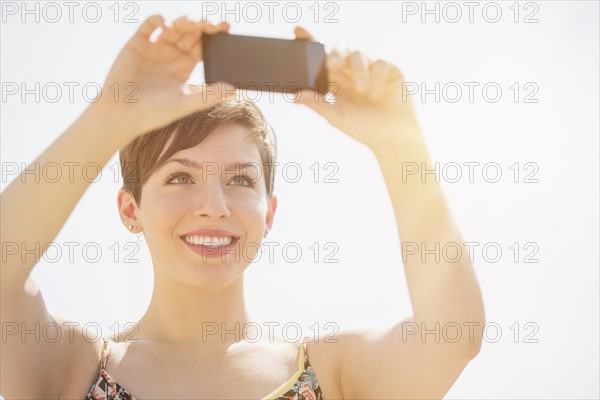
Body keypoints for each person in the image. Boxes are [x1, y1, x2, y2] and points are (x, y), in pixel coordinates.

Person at [0, 15, 485, 399]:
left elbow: (453, 335)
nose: (214, 206)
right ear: (130, 209)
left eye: (239, 180)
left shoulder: (331, 373)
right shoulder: (73, 369)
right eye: (181, 177)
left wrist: (401, 146)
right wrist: (109, 117)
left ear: (269, 212)